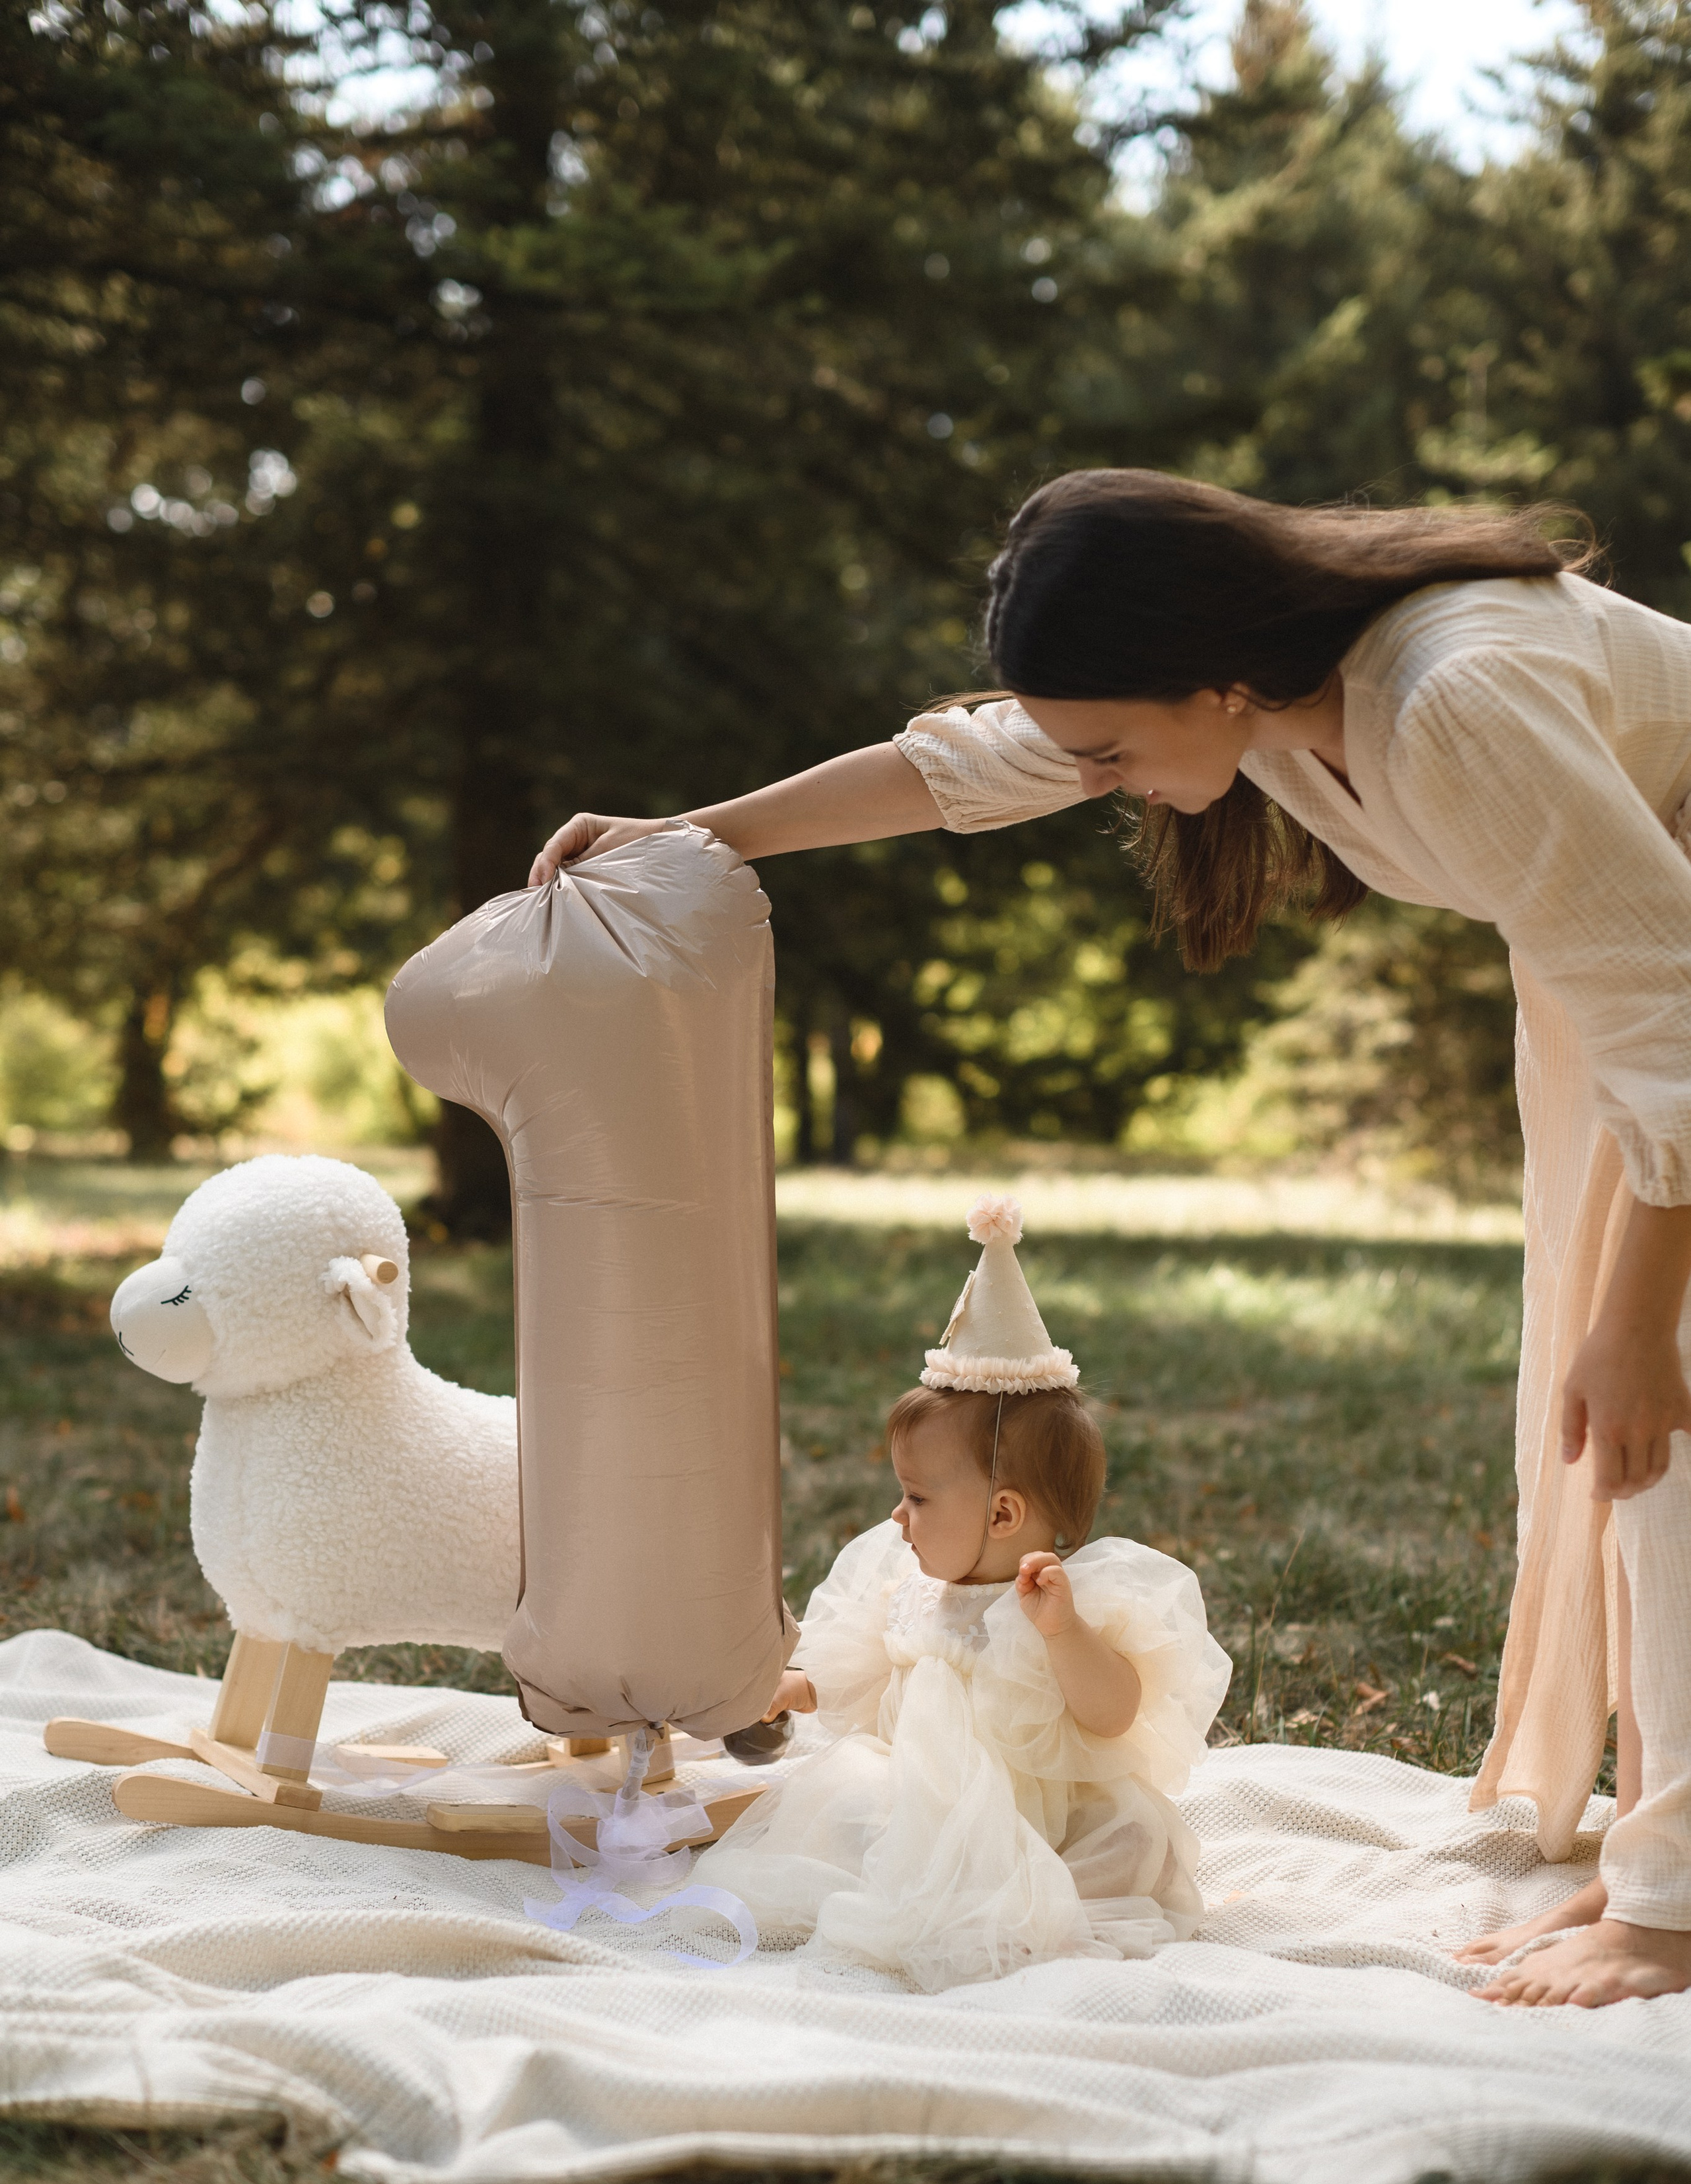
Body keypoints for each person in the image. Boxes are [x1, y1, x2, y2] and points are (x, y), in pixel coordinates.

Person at [530, 468, 1691, 2008]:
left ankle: (1668, 1910)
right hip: (1643, 1008)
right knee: (1623, 1438)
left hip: (1667, 1016)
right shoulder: (1260, 682)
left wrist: (1633, 1322)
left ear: (1215, 683)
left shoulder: (1448, 697)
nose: (1104, 779)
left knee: (1648, 1433)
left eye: (1114, 748)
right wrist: (692, 837)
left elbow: (1671, 1026)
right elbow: (956, 767)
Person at [683, 1196, 1230, 1992]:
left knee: (1133, 1840)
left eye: (918, 1498)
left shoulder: (1059, 1604)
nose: (897, 1516)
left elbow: (1113, 1711)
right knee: (845, 1804)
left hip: (1040, 1822)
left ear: (1003, 1512)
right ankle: (949, 1888)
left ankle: (1021, 1903)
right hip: (919, 1799)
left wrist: (1065, 1632)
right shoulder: (910, 1587)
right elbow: (862, 1671)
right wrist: (797, 1688)